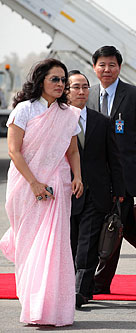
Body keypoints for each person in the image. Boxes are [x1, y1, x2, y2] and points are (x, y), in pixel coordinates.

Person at [0, 58, 84, 326]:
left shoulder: (69, 113)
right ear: (41, 81)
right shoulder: (24, 110)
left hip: (58, 184)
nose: (61, 85)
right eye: (55, 79)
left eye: (63, 81)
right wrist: (35, 183)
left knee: (54, 246)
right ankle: (32, 305)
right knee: (29, 246)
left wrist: (77, 177)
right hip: (25, 185)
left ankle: (52, 310)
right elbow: (14, 150)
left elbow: (72, 151)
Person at [86, 45, 136, 294]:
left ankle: (99, 283)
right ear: (95, 68)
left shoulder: (134, 95)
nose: (106, 69)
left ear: (119, 67)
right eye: (102, 65)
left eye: (112, 64)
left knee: (122, 226)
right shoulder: (87, 95)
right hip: (98, 178)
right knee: (123, 227)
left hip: (127, 176)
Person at [67, 70, 125, 307]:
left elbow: (114, 158)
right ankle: (69, 288)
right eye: (76, 87)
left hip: (96, 193)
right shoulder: (56, 120)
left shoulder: (102, 121)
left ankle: (80, 291)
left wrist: (118, 191)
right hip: (66, 192)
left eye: (85, 87)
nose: (81, 92)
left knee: (88, 245)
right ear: (66, 91)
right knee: (69, 243)